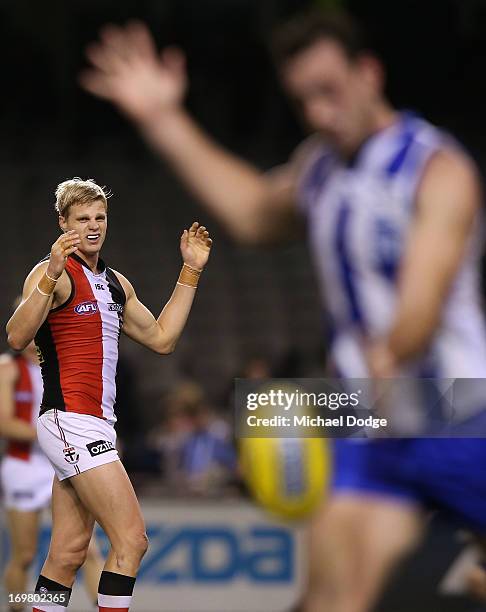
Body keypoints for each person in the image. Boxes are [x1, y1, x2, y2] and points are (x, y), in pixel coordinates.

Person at [80, 10, 486, 612]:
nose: (320, 113)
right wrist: (162, 118)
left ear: (369, 74)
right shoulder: (319, 169)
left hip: (460, 411)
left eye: (330, 91)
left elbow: (425, 290)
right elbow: (251, 213)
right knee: (329, 599)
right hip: (378, 428)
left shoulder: (436, 168)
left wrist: (393, 350)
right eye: (304, 102)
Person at [6, 177, 212, 612]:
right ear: (63, 223)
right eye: (82, 219)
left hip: (92, 423)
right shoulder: (53, 274)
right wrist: (50, 276)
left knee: (68, 553)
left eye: (100, 217)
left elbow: (161, 338)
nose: (93, 226)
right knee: (132, 540)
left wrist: (190, 270)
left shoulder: (116, 283)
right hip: (69, 419)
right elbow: (17, 335)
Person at [0, 336, 104, 612]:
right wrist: (56, 436)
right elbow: (4, 422)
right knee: (24, 555)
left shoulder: (66, 364)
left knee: (88, 550)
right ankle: (17, 607)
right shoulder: (8, 368)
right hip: (24, 467)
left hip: (63, 463)